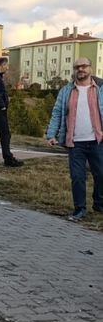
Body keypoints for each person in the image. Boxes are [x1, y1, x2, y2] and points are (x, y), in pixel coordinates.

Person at [46, 57, 103, 221]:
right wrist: (51, 134)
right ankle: (80, 209)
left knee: (101, 175)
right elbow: (57, 113)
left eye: (84, 66)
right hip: (75, 142)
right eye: (77, 67)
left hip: (97, 141)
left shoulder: (99, 89)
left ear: (90, 68)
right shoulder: (66, 91)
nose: (81, 69)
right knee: (78, 177)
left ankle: (99, 203)